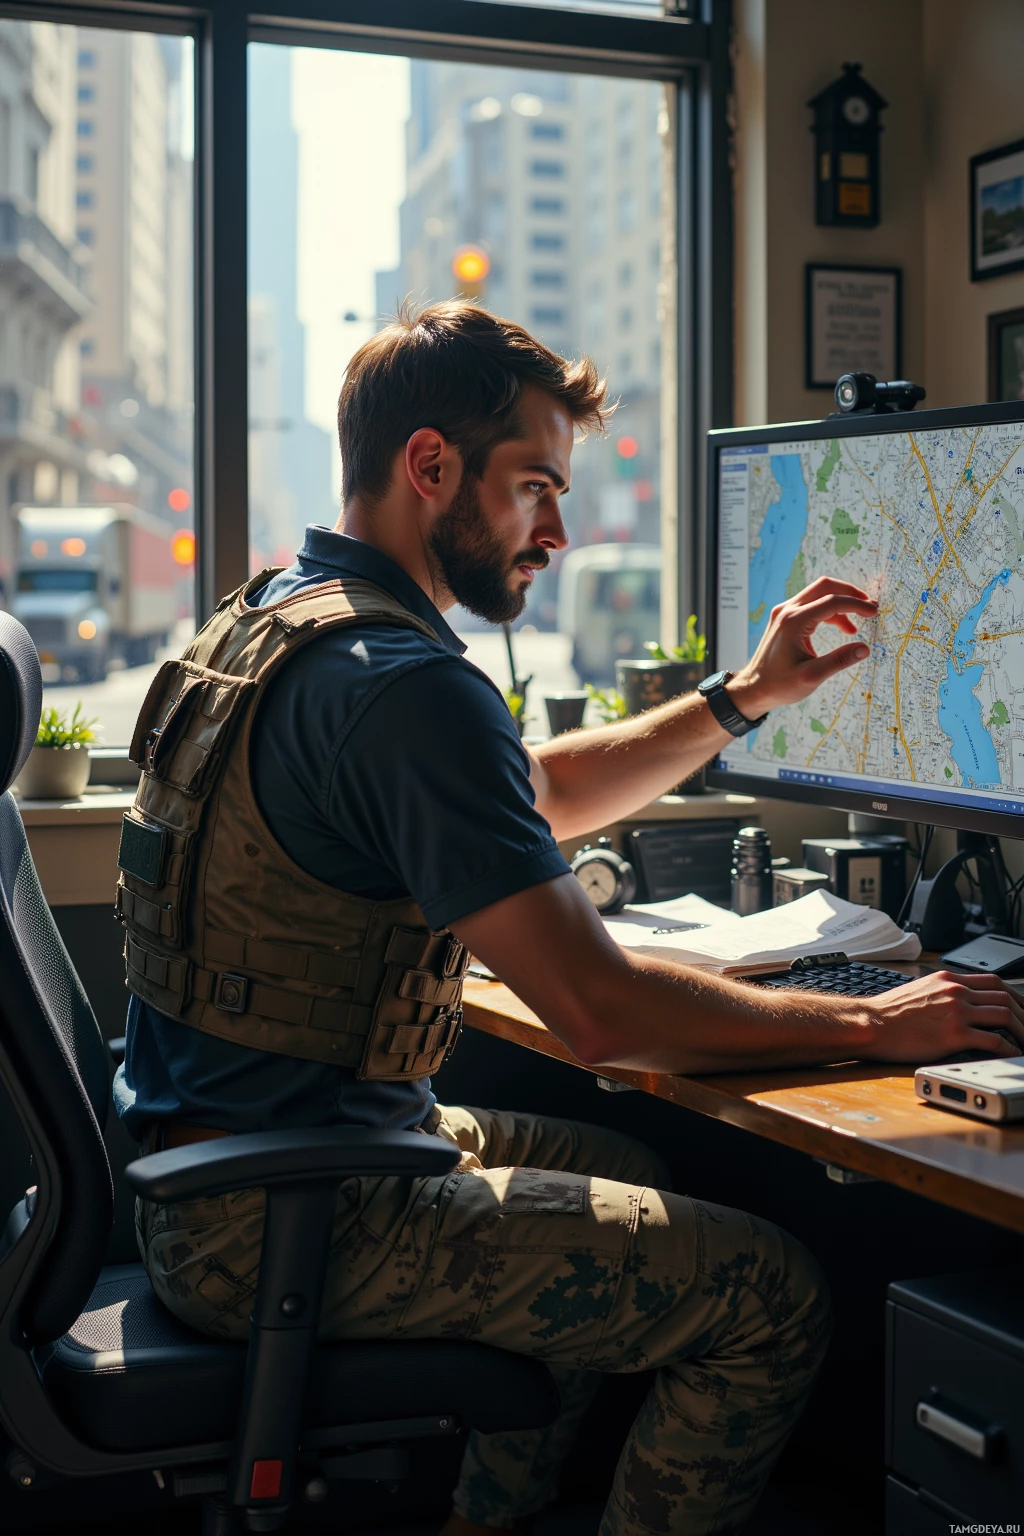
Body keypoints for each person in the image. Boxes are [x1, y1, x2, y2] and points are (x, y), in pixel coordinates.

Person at [114, 301, 1024, 1536]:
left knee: (633, 1167)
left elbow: (531, 795)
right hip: (294, 1220)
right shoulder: (405, 690)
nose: (557, 529)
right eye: (534, 485)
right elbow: (600, 1014)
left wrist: (741, 696)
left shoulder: (281, 618)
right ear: (429, 465)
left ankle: (494, 1519)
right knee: (769, 1291)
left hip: (219, 1169)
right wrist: (877, 1031)